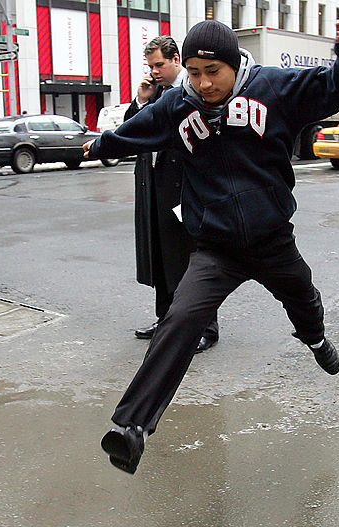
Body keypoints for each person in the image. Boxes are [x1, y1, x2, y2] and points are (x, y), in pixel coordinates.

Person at [83, 18, 339, 474]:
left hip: (272, 240)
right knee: (180, 317)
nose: (203, 82)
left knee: (303, 298)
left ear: (233, 64)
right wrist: (101, 144)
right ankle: (133, 428)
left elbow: (337, 87)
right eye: (194, 72)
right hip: (215, 247)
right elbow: (138, 130)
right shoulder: (179, 104)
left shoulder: (275, 89)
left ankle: (315, 341)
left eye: (213, 71)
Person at [125, 35, 219, 354]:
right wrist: (141, 101)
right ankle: (166, 319)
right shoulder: (157, 94)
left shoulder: (192, 90)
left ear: (176, 59)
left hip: (187, 188)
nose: (154, 71)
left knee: (193, 261)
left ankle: (205, 327)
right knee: (164, 259)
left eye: (159, 65)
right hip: (157, 186)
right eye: (150, 66)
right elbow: (133, 130)